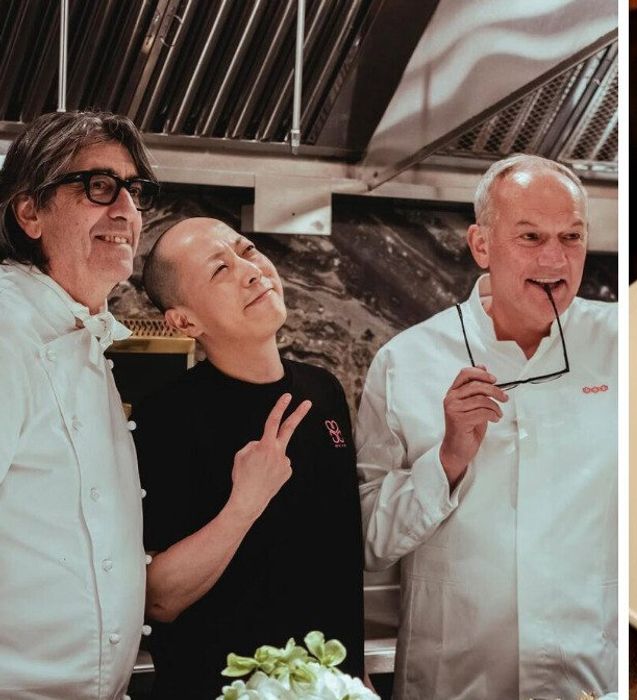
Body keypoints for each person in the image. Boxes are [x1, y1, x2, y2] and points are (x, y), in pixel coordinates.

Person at [357, 154, 618, 699]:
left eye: (571, 236)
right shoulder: (405, 361)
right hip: (456, 678)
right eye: (530, 236)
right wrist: (448, 459)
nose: (555, 259)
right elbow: (369, 539)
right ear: (481, 245)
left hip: (596, 674)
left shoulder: (624, 340)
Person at [132, 217, 365, 698]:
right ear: (185, 322)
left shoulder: (324, 390)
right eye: (220, 270)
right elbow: (159, 599)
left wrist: (355, 674)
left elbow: (338, 559)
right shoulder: (165, 417)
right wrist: (245, 504)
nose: (251, 269)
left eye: (248, 250)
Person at [0, 111, 158, 698]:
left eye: (134, 191)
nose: (126, 210)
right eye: (98, 186)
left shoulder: (84, 334)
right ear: (30, 212)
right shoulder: (6, 329)